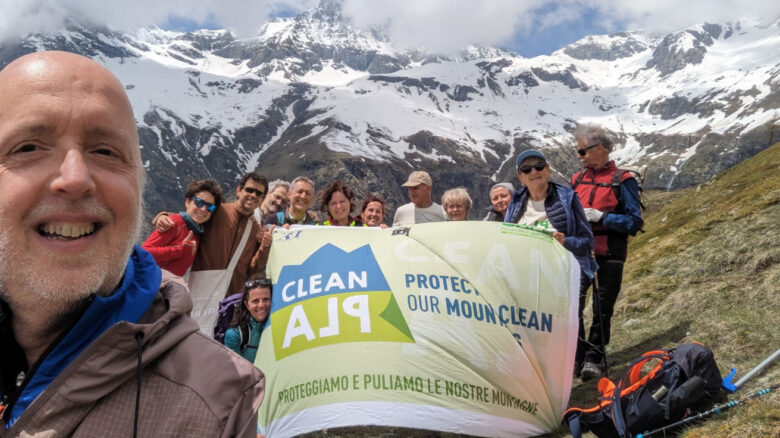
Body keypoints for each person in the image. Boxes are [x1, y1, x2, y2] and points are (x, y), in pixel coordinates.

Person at [0, 51, 263, 436]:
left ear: (138, 185)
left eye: (105, 152)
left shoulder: (221, 406)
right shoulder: (178, 226)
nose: (74, 178)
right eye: (28, 148)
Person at [504, 150, 597, 379]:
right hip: (529, 272)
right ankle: (546, 366)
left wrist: (566, 241)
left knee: (567, 314)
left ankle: (576, 360)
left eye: (538, 166)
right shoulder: (516, 202)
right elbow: (504, 237)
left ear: (547, 170)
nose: (533, 172)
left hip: (567, 267)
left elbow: (587, 241)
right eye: (526, 169)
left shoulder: (567, 197)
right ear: (520, 177)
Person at [571, 124, 643, 381]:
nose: (579, 157)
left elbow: (635, 221)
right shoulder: (577, 180)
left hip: (610, 252)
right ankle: (576, 357)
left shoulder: (623, 180)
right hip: (580, 253)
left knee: (602, 307)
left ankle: (594, 358)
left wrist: (603, 217)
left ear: (599, 148)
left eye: (582, 151)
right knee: (573, 305)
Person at [142, 179, 223, 276]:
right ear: (188, 202)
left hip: (163, 287)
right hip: (149, 282)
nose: (203, 209)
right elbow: (144, 253)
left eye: (210, 207)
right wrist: (179, 250)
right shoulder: (174, 222)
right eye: (199, 203)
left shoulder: (197, 233)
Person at [225, 276, 271, 363]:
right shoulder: (235, 334)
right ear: (247, 305)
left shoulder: (280, 326)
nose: (261, 305)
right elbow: (237, 372)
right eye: (255, 301)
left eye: (266, 299)